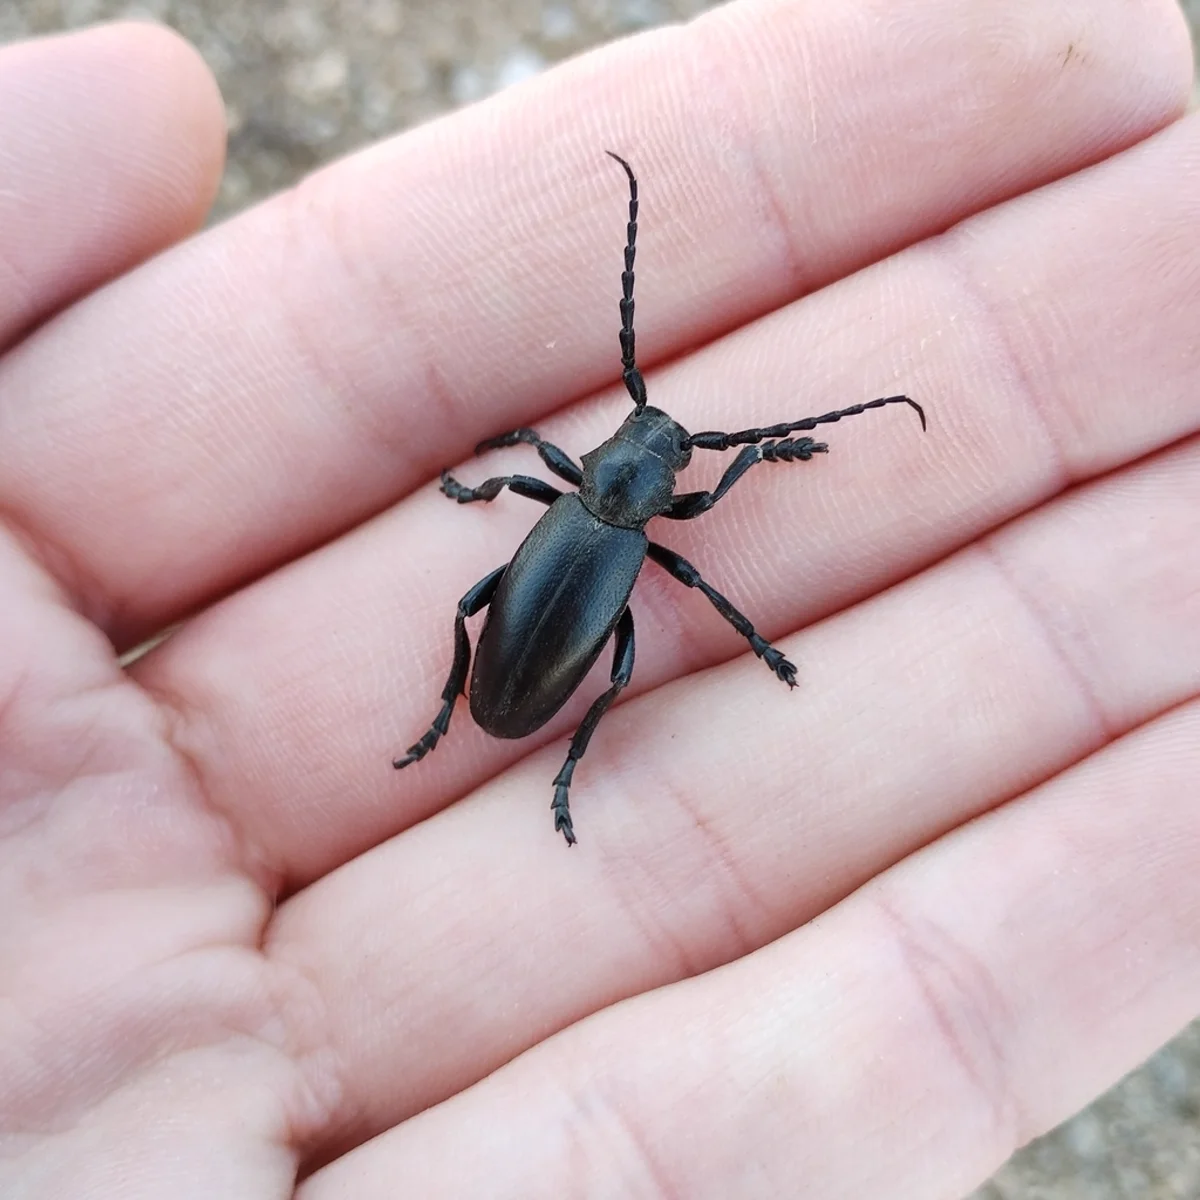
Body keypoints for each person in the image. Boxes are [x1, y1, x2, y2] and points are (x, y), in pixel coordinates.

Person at [1, 6, 1197, 1196]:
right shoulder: (615, 508)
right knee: (571, 639)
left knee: (608, 655)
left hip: (552, 620)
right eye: (658, 443)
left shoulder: (576, 488)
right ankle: (485, 730)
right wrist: (727, 558)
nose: (659, 442)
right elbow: (649, 530)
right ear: (637, 462)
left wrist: (714, 489)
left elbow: (590, 490)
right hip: (542, 636)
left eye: (669, 449)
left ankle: (538, 752)